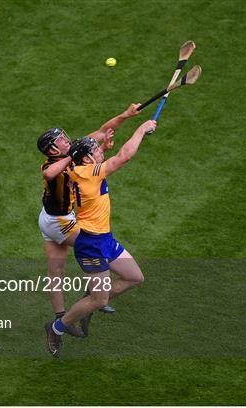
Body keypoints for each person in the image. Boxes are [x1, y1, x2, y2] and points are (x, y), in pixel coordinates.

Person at [44, 118, 157, 357]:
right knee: (100, 297)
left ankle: (90, 302)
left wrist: (102, 148)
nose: (101, 150)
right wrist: (141, 128)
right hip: (91, 244)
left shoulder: (82, 169)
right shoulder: (88, 173)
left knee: (135, 277)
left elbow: (106, 156)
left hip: (105, 238)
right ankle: (57, 328)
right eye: (95, 150)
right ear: (85, 159)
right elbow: (124, 156)